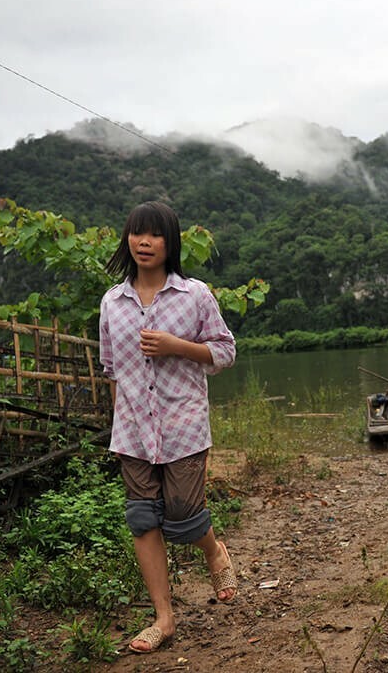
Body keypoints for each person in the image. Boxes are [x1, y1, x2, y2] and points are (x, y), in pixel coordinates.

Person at [99, 201, 238, 654]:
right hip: (132, 432)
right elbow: (111, 370)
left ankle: (214, 551)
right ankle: (164, 618)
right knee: (142, 519)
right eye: (137, 233)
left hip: (184, 426)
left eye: (155, 234)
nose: (144, 242)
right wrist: (119, 430)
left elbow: (225, 351)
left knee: (183, 514)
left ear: (169, 242)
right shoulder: (112, 302)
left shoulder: (194, 295)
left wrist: (178, 346)